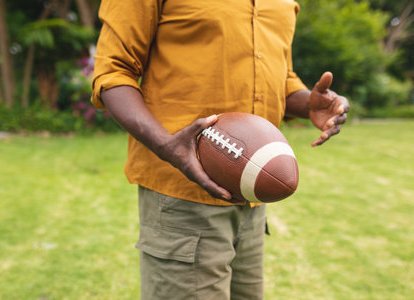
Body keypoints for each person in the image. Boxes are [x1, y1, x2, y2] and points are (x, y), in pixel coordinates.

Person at [91, 0, 349, 299]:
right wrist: (166, 145)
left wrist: (309, 102)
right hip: (182, 197)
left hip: (252, 198)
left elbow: (280, 75)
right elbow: (113, 73)